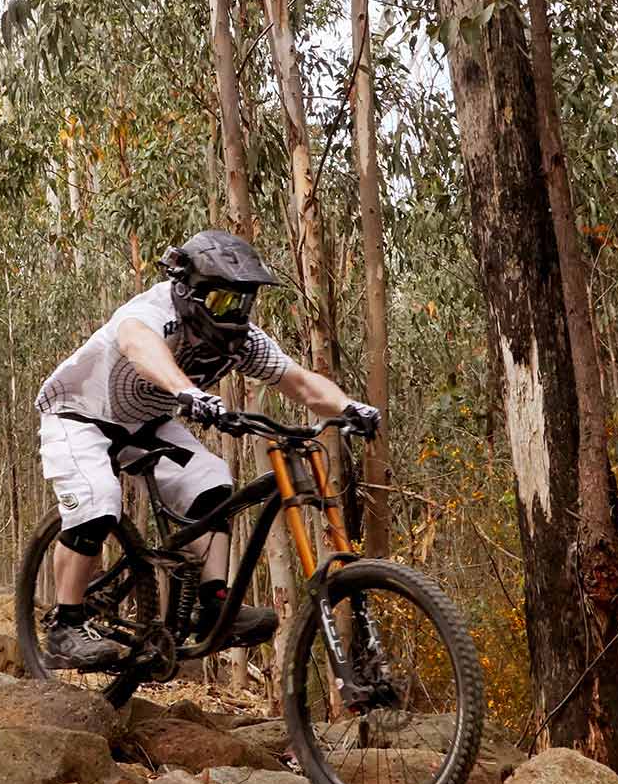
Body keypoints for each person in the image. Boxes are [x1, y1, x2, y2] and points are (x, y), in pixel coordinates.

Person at [34, 229, 380, 667]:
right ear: (188, 292)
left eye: (243, 301)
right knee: (99, 500)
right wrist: (187, 391)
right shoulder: (152, 311)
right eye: (221, 301)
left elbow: (302, 383)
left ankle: (212, 605)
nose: (234, 313)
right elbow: (139, 345)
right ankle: (65, 626)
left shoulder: (243, 340)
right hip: (77, 414)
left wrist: (351, 406)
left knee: (214, 481)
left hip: (147, 423)